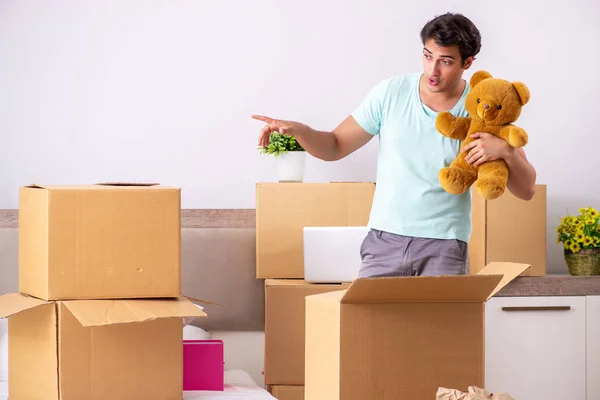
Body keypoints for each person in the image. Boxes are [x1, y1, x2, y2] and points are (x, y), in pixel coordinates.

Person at [252, 12, 537, 278]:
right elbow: (335, 146)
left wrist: (507, 152)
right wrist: (301, 131)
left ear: (468, 63)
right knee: (369, 330)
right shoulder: (391, 92)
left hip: (445, 246)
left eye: (446, 61)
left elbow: (526, 190)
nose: (432, 70)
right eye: (427, 56)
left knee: (439, 333)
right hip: (383, 241)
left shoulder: (484, 106)